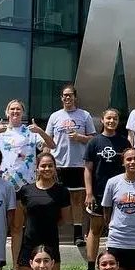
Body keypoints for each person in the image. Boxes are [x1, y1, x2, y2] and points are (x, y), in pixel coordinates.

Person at [44, 83, 95, 251]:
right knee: (54, 199)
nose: (67, 98)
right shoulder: (54, 117)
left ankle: (78, 234)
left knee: (77, 200)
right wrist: (45, 159)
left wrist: (80, 137)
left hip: (78, 164)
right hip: (58, 164)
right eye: (64, 95)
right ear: (61, 98)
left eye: (70, 95)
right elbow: (48, 140)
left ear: (75, 97)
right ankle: (52, 231)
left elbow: (93, 139)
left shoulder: (84, 115)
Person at [83, 108, 130, 270]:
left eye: (115, 118)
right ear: (102, 120)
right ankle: (90, 267)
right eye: (108, 118)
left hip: (119, 195)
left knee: (116, 230)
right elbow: (88, 169)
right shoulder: (94, 142)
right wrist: (89, 193)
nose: (112, 121)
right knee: (94, 230)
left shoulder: (124, 143)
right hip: (98, 192)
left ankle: (115, 264)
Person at [13, 153, 71, 270]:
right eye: (43, 166)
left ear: (55, 168)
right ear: (37, 168)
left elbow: (64, 219)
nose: (47, 169)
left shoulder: (62, 191)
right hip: (28, 244)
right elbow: (18, 222)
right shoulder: (25, 191)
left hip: (51, 244)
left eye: (50, 166)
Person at [0, 99, 53, 191]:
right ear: (7, 113)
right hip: (3, 182)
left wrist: (40, 131)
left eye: (18, 109)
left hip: (27, 183)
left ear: (23, 113)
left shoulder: (31, 132)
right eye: (12, 109)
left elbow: (52, 145)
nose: (15, 111)